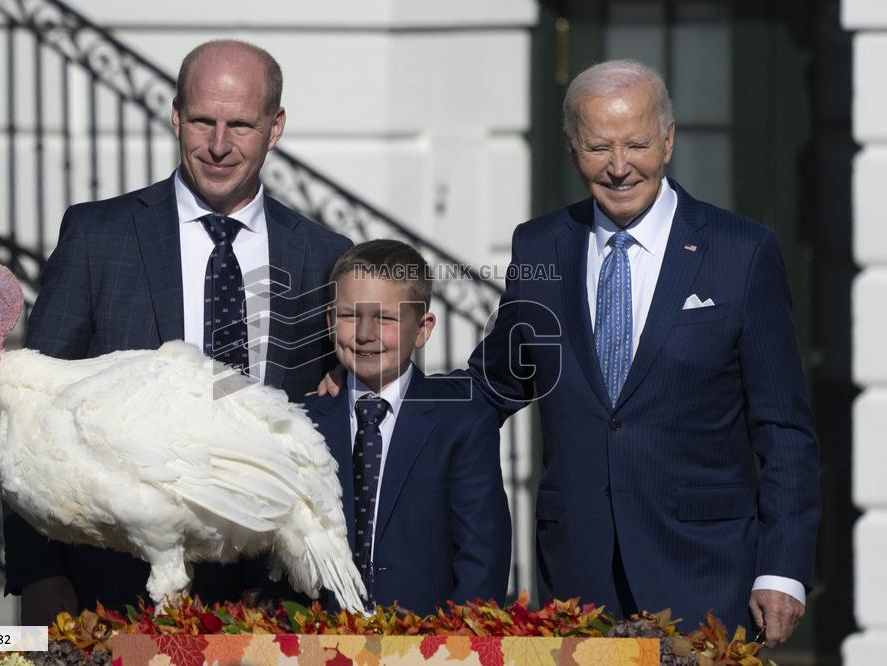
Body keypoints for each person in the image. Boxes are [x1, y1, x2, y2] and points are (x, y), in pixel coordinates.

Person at [465, 60, 820, 643]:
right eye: (599, 146)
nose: (620, 166)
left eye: (637, 143)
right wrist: (377, 385)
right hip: (578, 578)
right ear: (571, 147)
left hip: (706, 575)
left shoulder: (743, 252)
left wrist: (783, 569)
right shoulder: (540, 245)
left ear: (669, 139)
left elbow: (784, 430)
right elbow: (491, 383)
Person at [5, 39, 352, 625]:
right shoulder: (98, 238)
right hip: (120, 592)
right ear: (174, 117)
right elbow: (25, 411)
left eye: (241, 124)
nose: (219, 145)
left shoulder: (323, 257)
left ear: (275, 127)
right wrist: (40, 575)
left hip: (276, 599)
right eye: (202, 121)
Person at [304, 240, 511, 615]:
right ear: (331, 321)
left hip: (432, 647)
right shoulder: (301, 421)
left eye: (385, 319)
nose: (365, 334)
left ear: (422, 328)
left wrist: (457, 646)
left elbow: (483, 555)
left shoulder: (461, 423)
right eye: (351, 316)